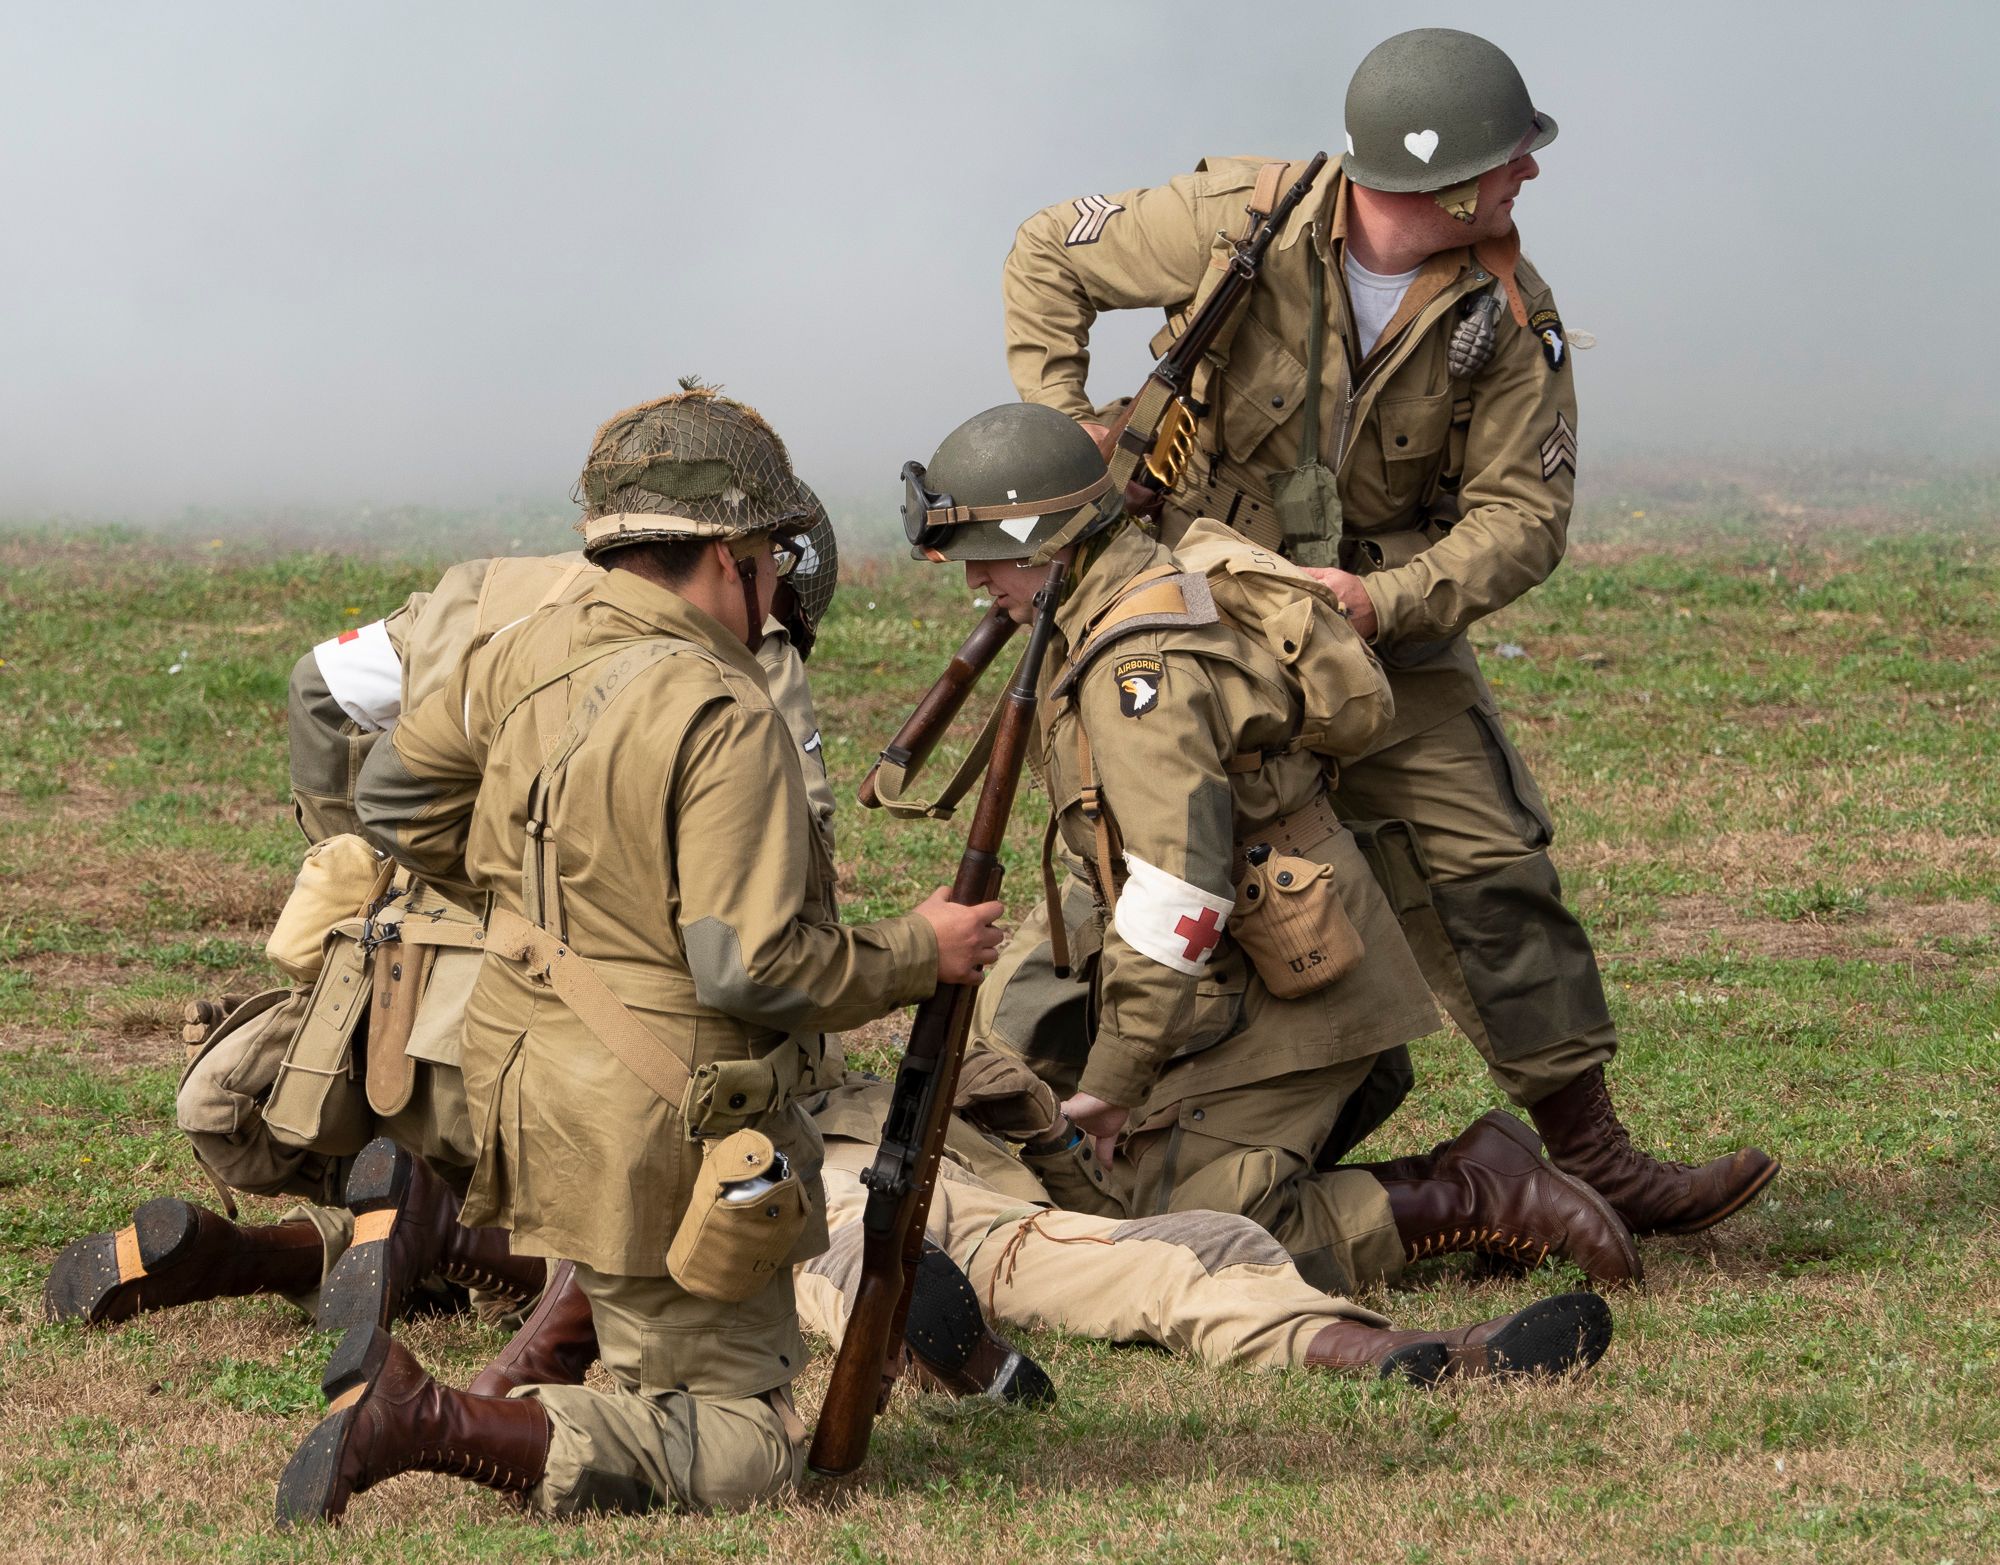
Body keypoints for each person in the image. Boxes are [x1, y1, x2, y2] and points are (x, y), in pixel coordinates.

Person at [998, 27, 1776, 1236]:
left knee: (1490, 864)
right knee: (1144, 855)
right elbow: (1048, 249)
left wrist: (1381, 603)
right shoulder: (1233, 222)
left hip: (1377, 623)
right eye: (1511, 158)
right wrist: (1062, 446)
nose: (1528, 178)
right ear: (1441, 177)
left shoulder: (1509, 311)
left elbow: (1523, 517)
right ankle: (1051, 1117)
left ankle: (1591, 1150)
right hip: (1198, 600)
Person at [272, 387, 1006, 1525]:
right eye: (766, 552)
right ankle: (423, 1417)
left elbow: (394, 802)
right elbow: (754, 967)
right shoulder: (728, 708)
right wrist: (923, 946)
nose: (771, 578)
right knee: (747, 1443)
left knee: (662, 1352)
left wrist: (531, 909)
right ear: (728, 557)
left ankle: (536, 1368)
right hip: (666, 1122)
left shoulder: (514, 646)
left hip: (525, 1078)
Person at [890, 401, 1637, 1320]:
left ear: (1042, 542)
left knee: (1166, 1230)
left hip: (1285, 990)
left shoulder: (1142, 673)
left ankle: (1472, 1192)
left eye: (983, 560)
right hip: (1250, 970)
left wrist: (1116, 1084)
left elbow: (1176, 887)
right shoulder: (1125, 596)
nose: (978, 588)